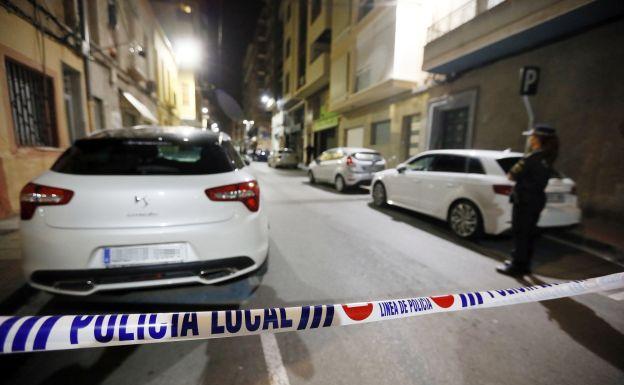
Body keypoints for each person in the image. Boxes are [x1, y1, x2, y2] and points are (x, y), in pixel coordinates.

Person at [496, 124, 559, 276]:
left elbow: (511, 175)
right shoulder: (549, 156)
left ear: (538, 139)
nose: (530, 139)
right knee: (529, 233)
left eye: (532, 136)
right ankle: (524, 264)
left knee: (520, 233)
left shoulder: (532, 157)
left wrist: (526, 157)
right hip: (536, 199)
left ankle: (516, 267)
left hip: (524, 200)